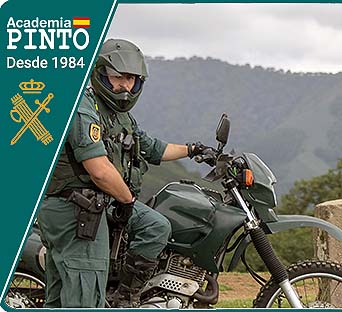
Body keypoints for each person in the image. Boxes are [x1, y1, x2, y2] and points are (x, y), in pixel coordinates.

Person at [39, 38, 212, 308]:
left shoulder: (119, 116)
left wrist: (192, 149)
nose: (125, 85)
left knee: (156, 225)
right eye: (118, 77)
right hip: (76, 208)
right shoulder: (83, 108)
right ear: (100, 74)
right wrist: (127, 202)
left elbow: (153, 148)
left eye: (131, 78)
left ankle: (126, 298)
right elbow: (100, 171)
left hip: (101, 202)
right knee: (83, 298)